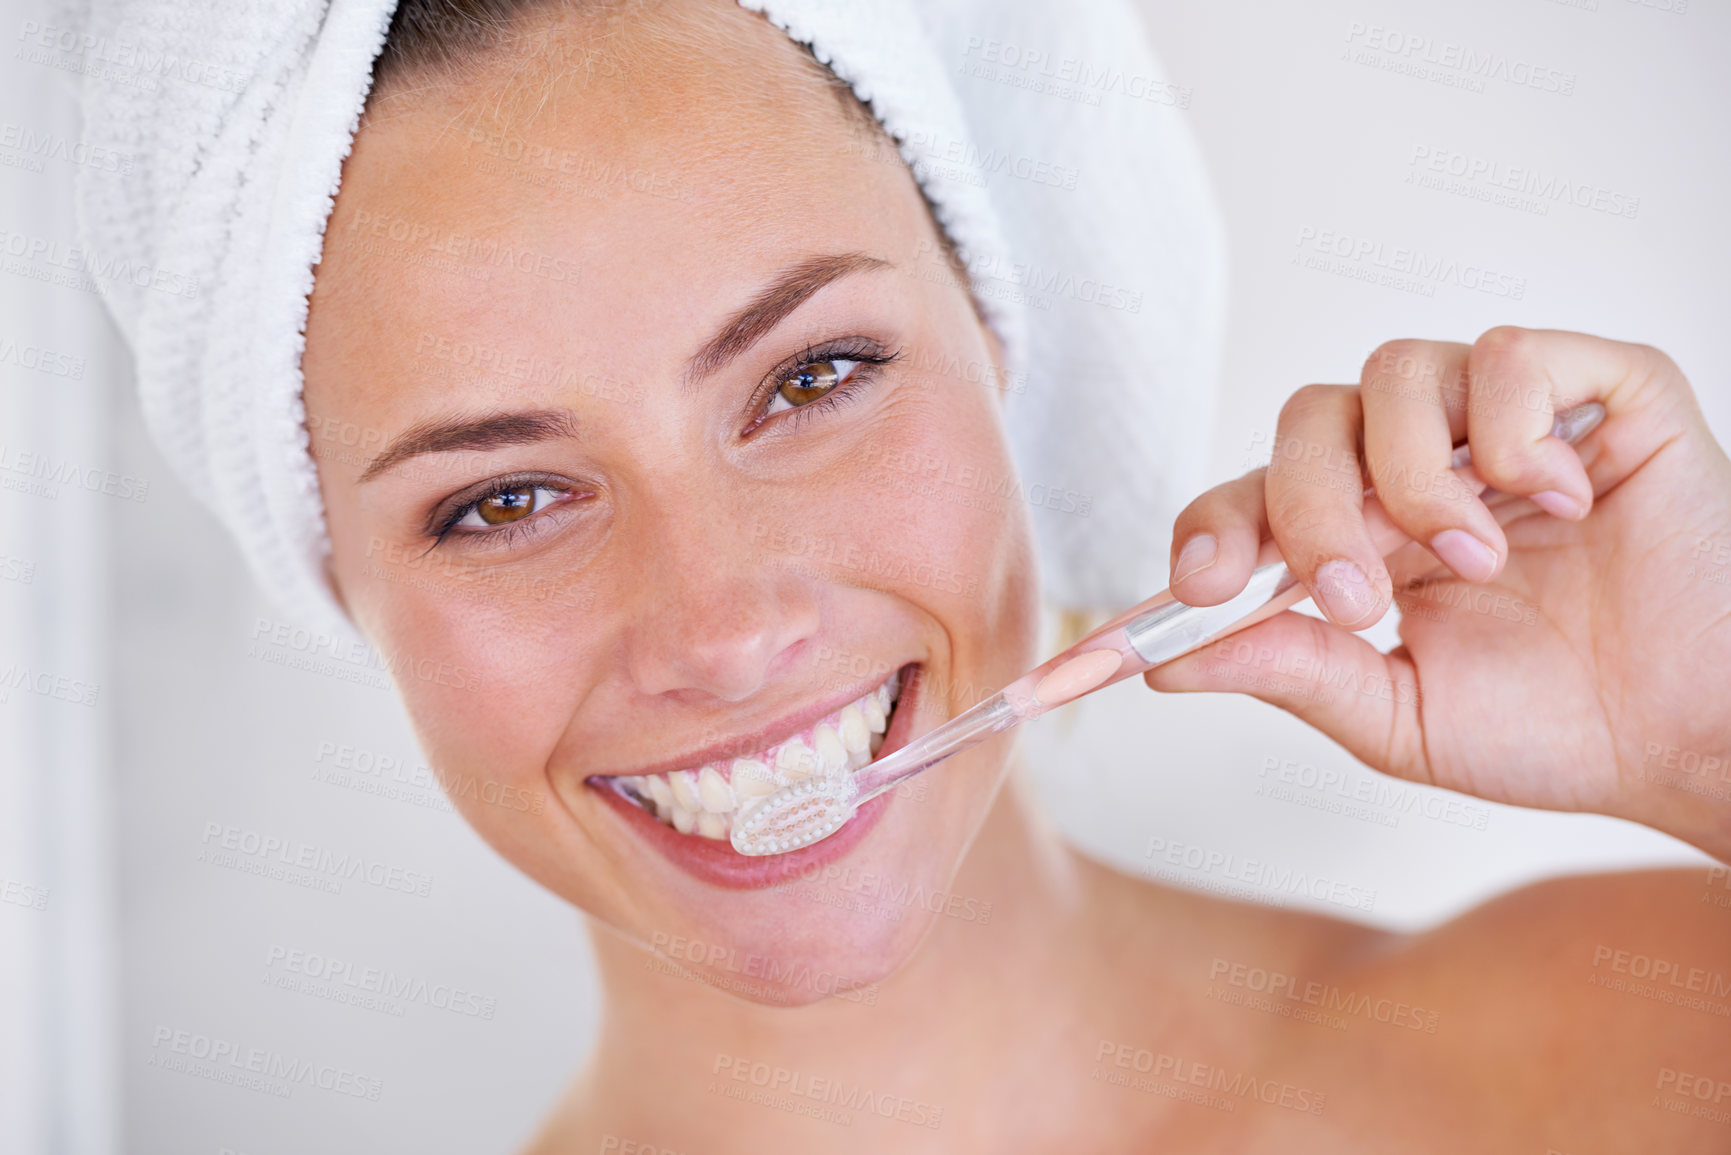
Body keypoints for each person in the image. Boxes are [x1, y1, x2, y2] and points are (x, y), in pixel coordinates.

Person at [110, 0, 1731, 1148]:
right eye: (505, 500)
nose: (727, 629)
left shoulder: (1645, 1059)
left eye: (811, 381)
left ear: (1001, 332)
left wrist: (1711, 738)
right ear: (337, 585)